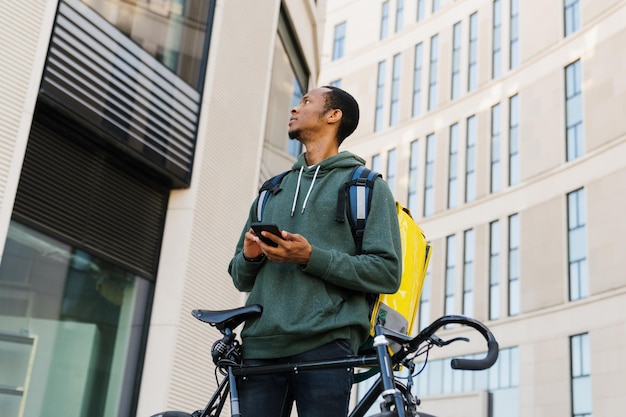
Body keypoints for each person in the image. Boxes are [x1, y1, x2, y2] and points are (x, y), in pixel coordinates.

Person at [228, 86, 402, 417]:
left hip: (327, 346)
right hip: (261, 346)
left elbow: (386, 272)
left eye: (306, 102)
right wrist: (251, 254)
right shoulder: (271, 191)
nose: (295, 108)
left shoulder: (366, 188)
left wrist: (310, 257)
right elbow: (239, 277)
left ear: (333, 116)